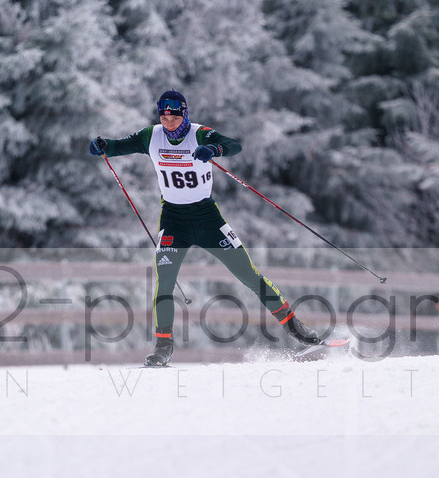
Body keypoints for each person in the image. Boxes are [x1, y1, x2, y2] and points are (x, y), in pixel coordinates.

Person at [90, 89, 321, 366]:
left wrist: (213, 149)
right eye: (164, 115)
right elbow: (117, 146)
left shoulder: (200, 134)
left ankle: (295, 327)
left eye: (174, 116)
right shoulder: (150, 136)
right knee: (164, 282)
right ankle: (163, 345)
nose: (169, 121)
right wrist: (102, 145)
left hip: (208, 219)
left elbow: (234, 145)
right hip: (174, 221)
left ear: (184, 114)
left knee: (248, 275)